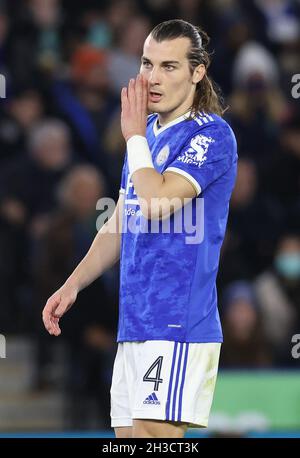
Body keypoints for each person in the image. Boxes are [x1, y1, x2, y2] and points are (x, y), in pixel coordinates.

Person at [42, 19, 238, 438]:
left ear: (197, 71)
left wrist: (132, 137)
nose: (153, 77)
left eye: (169, 66)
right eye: (148, 64)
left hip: (177, 324)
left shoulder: (212, 135)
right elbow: (122, 219)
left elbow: (156, 201)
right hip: (135, 323)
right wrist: (73, 284)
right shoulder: (148, 133)